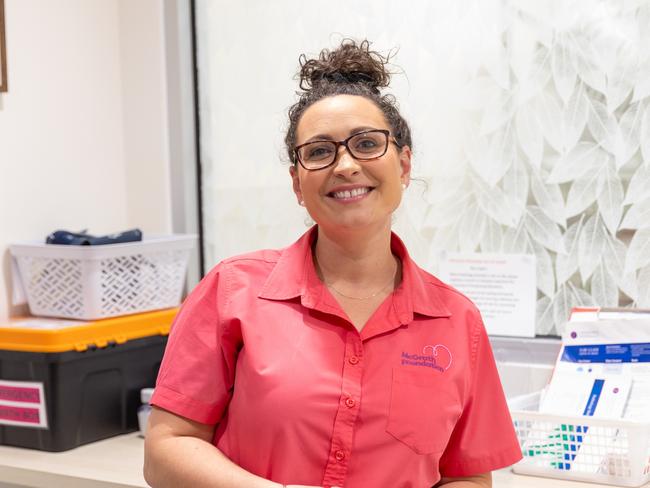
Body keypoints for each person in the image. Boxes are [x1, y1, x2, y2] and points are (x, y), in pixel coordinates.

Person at [144, 39, 522, 488]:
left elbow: (469, 477)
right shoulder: (233, 290)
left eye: (366, 143)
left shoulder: (457, 321)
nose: (345, 166)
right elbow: (166, 450)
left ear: (403, 165)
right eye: (320, 152)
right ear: (297, 183)